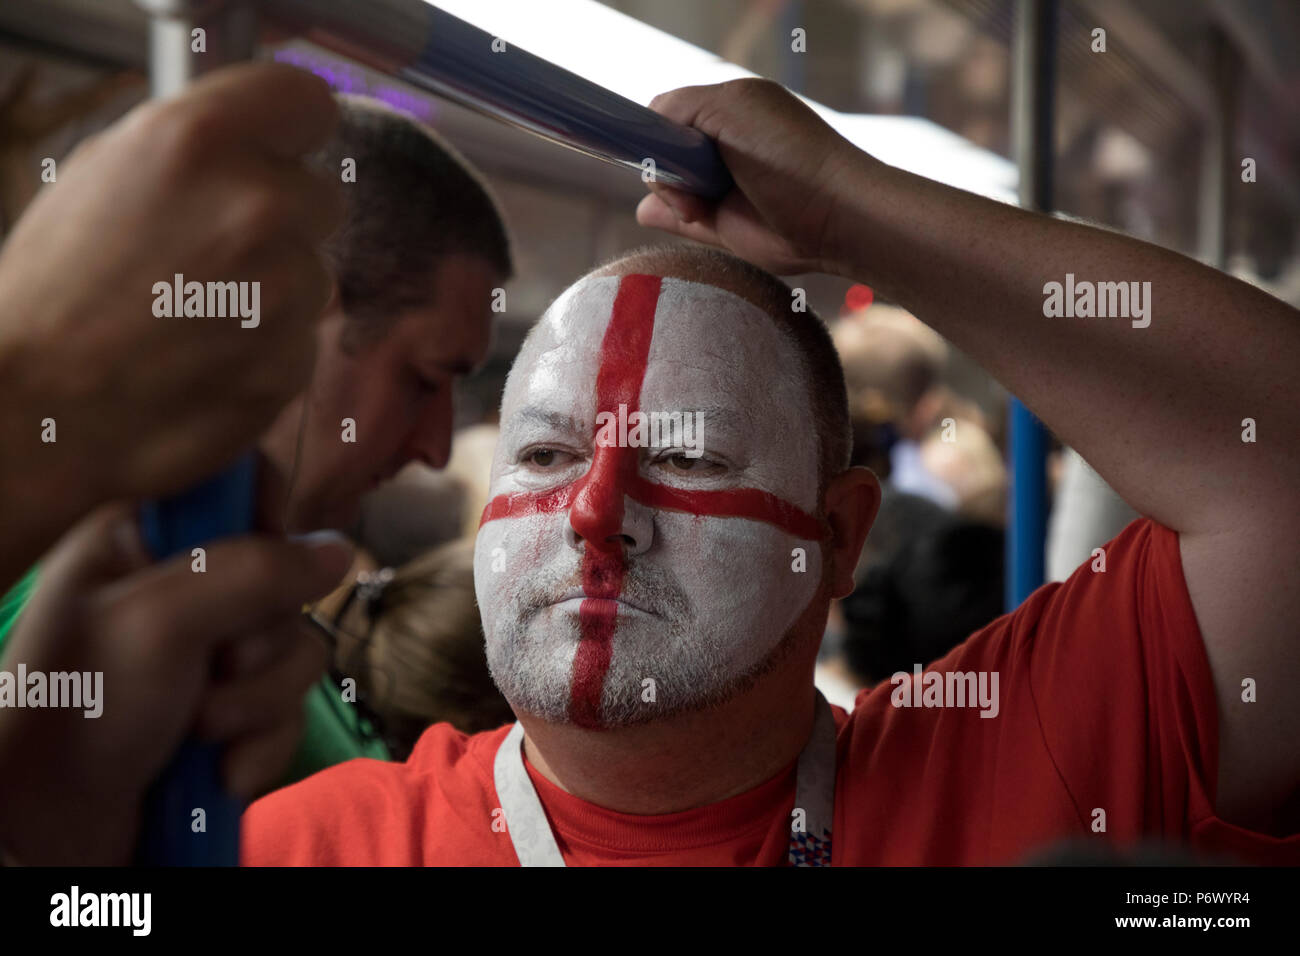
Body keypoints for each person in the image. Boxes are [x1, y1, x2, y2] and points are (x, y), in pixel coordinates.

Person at [8, 76, 1300, 865]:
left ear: (839, 537)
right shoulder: (296, 846)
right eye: (547, 451)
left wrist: (857, 210)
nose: (593, 515)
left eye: (683, 453)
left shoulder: (1032, 768)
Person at [0, 93, 514, 787]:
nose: (437, 449)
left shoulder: (258, 630)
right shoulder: (70, 616)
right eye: (423, 381)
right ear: (288, 311)